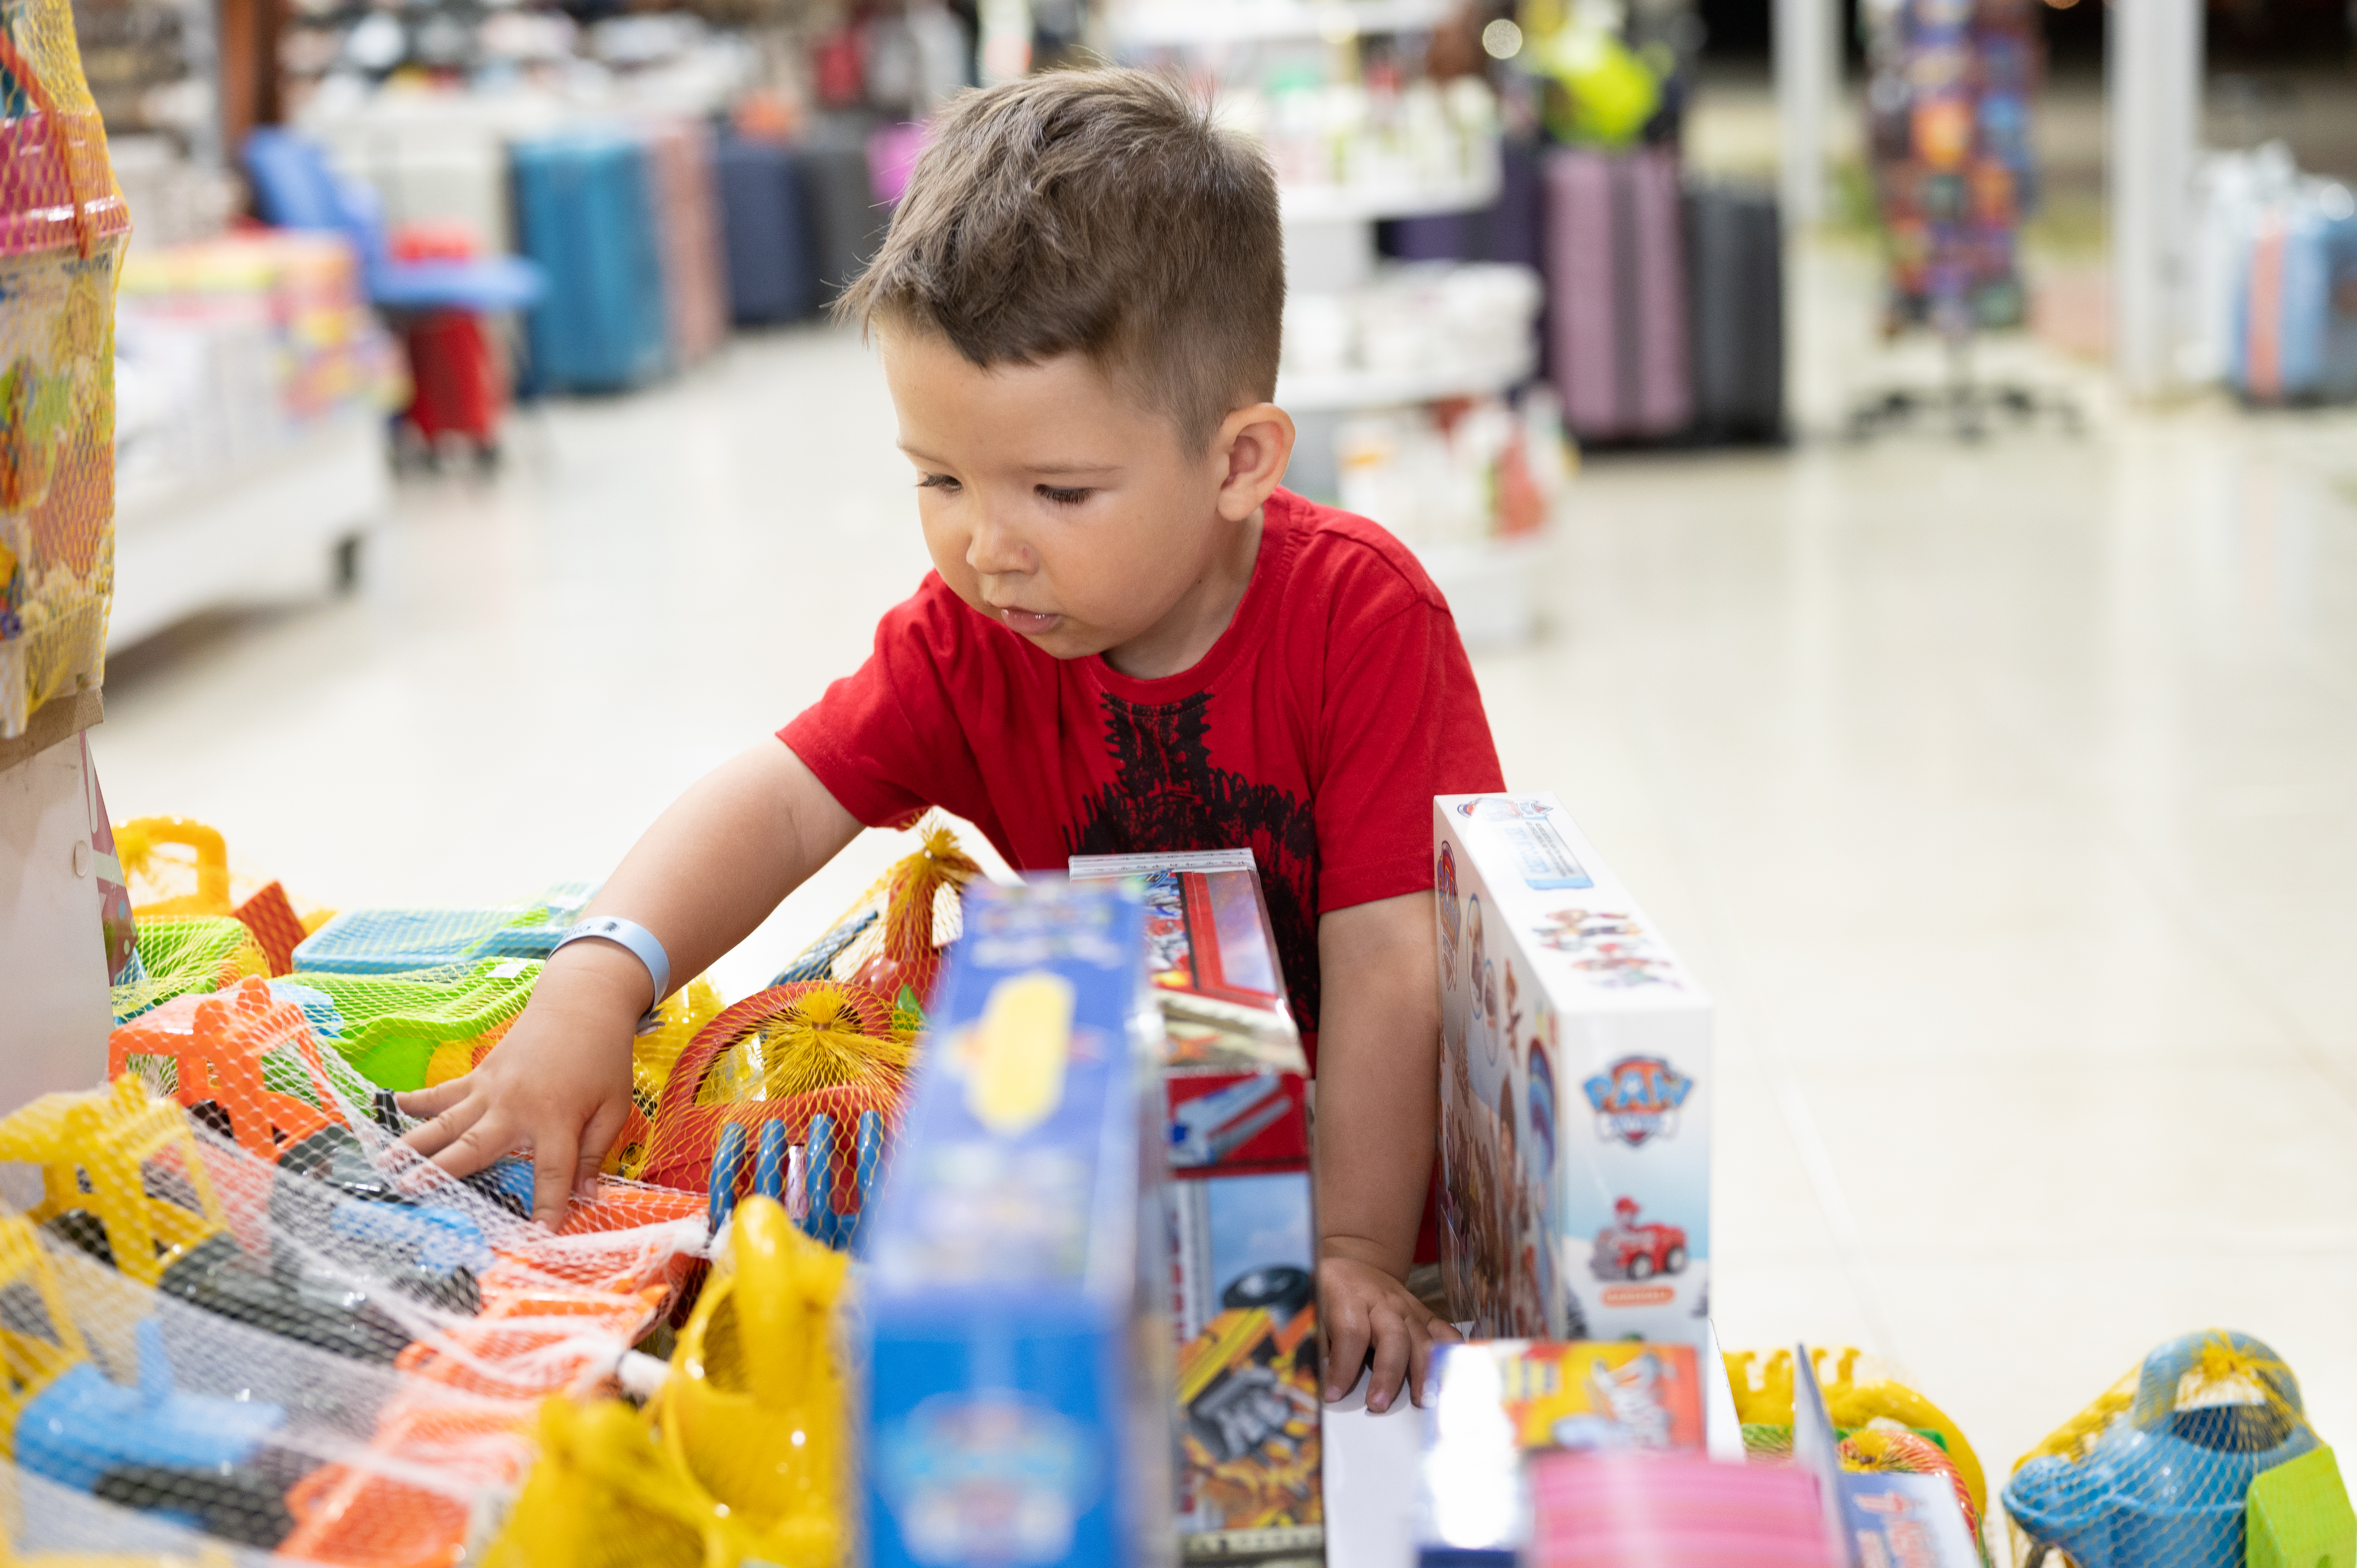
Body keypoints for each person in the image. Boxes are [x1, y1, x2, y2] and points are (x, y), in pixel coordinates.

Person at [395, 67, 1505, 1415]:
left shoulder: (1360, 617)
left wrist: (1348, 1246)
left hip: (1370, 1237)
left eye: (1059, 491)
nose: (987, 546)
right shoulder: (974, 633)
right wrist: (593, 979)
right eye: (940, 479)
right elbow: (786, 799)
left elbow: (1394, 958)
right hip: (1113, 1220)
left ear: (1238, 462)